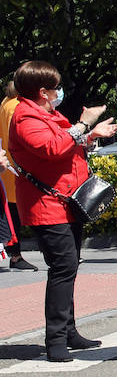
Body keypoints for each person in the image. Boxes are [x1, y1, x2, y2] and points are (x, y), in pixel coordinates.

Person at [7, 61, 117, 361]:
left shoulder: (47, 113)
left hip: (66, 202)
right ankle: (55, 339)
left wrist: (92, 136)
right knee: (62, 269)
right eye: (55, 87)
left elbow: (67, 144)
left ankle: (68, 331)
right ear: (43, 91)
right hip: (47, 207)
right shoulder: (24, 117)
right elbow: (52, 148)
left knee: (68, 267)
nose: (60, 92)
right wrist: (84, 123)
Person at [0, 81, 37, 271]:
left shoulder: (6, 103)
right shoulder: (16, 106)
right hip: (16, 168)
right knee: (18, 215)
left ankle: (15, 254)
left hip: (7, 169)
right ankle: (16, 255)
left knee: (11, 214)